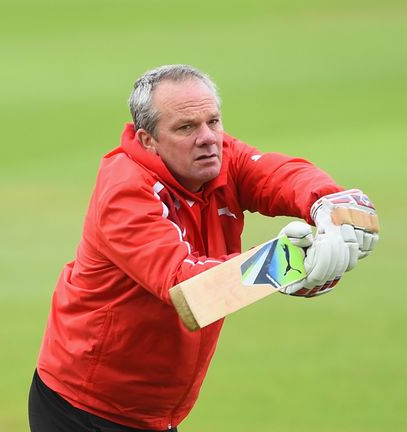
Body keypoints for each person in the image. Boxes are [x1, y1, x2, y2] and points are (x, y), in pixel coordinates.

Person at [28, 64, 378, 432]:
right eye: (186, 127)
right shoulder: (124, 193)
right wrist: (285, 263)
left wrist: (328, 204)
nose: (208, 138)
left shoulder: (216, 157)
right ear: (148, 140)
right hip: (86, 407)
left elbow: (277, 175)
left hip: (152, 410)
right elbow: (190, 290)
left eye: (213, 121)